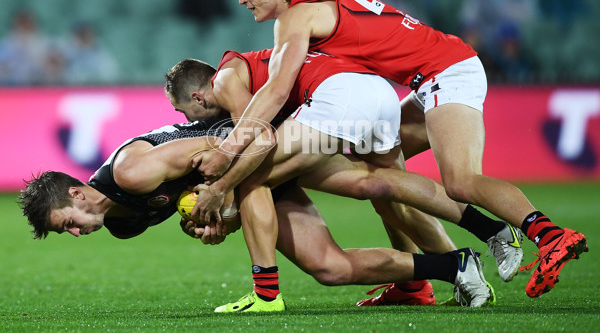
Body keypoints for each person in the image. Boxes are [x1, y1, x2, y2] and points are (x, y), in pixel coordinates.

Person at [197, 0, 587, 300]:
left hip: (446, 73)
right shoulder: (325, 0)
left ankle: (543, 234)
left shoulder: (296, 17)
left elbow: (277, 91)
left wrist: (230, 151)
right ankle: (414, 284)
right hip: (425, 79)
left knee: (461, 181)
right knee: (382, 182)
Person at [18, 119, 495, 313]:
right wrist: (213, 223)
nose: (77, 234)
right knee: (329, 268)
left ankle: (445, 128)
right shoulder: (124, 223)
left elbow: (219, 145)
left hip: (262, 146)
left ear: (78, 194)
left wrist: (221, 194)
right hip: (250, 181)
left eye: (68, 224)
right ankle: (456, 266)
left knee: (373, 178)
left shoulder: (132, 172)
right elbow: (199, 205)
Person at [165, 54, 520, 310]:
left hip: (337, 97)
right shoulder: (246, 76)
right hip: (373, 92)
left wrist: (219, 192)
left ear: (197, 96)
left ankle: (265, 294)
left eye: (183, 111)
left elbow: (261, 140)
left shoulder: (225, 81)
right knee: (380, 185)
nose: (186, 118)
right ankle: (474, 246)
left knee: (248, 178)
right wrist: (224, 211)